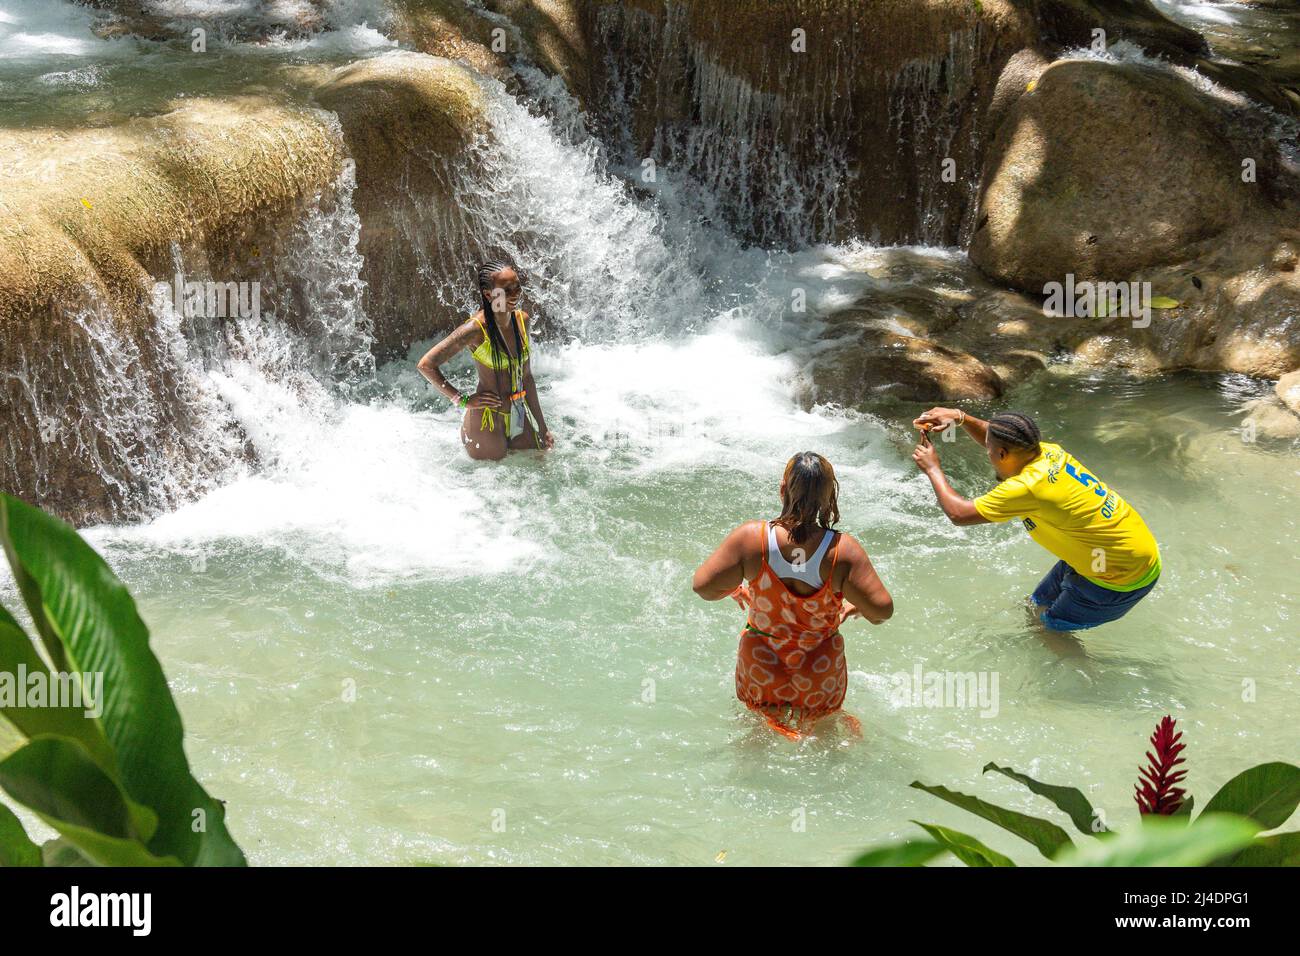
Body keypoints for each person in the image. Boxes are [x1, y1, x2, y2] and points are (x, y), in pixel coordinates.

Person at [693, 452, 893, 738]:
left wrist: (734, 589)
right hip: (818, 668)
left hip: (762, 662)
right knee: (824, 741)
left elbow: (703, 586)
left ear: (783, 489)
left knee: (756, 738)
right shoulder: (842, 550)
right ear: (829, 497)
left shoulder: (752, 539)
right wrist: (852, 607)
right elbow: (882, 610)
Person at [910, 408, 1160, 632]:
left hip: (1119, 577)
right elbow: (999, 437)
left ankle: (1086, 676)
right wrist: (960, 418)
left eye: (990, 452)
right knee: (1034, 609)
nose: (988, 455)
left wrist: (933, 468)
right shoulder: (1049, 452)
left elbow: (959, 514)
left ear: (1002, 453)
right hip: (1108, 553)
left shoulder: (1027, 487)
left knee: (1050, 631)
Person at [417, 261, 554, 459]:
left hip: (517, 415)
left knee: (543, 461)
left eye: (517, 286)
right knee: (493, 482)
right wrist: (463, 400)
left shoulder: (522, 320)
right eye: (507, 290)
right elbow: (426, 364)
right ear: (489, 294)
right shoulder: (475, 330)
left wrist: (542, 426)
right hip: (486, 421)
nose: (515, 294)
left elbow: (527, 377)